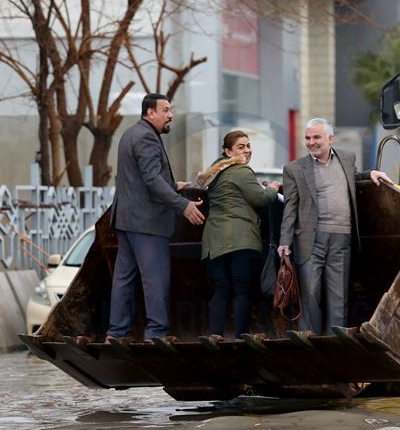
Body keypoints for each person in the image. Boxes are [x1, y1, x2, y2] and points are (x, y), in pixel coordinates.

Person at [277, 118, 392, 335]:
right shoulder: (294, 169)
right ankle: (308, 343)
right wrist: (285, 241)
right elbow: (290, 207)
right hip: (310, 239)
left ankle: (334, 343)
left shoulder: (347, 158)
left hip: (343, 237)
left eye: (316, 137)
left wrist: (370, 174)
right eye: (308, 138)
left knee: (338, 295)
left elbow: (352, 178)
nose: (311, 142)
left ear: (330, 139)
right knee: (310, 293)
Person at [106, 93, 205, 342]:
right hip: (147, 222)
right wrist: (183, 205)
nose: (170, 114)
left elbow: (141, 178)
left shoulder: (131, 133)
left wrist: (173, 185)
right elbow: (151, 179)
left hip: (127, 220)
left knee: (124, 279)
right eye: (166, 110)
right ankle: (157, 333)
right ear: (150, 113)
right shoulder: (148, 138)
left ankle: (116, 333)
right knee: (155, 279)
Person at [196, 131, 281, 338]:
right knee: (242, 289)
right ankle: (241, 336)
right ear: (228, 151)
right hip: (240, 240)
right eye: (241, 147)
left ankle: (215, 334)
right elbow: (260, 199)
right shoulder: (241, 170)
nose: (247, 150)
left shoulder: (215, 172)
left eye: (248, 145)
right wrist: (272, 187)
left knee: (222, 288)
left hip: (214, 240)